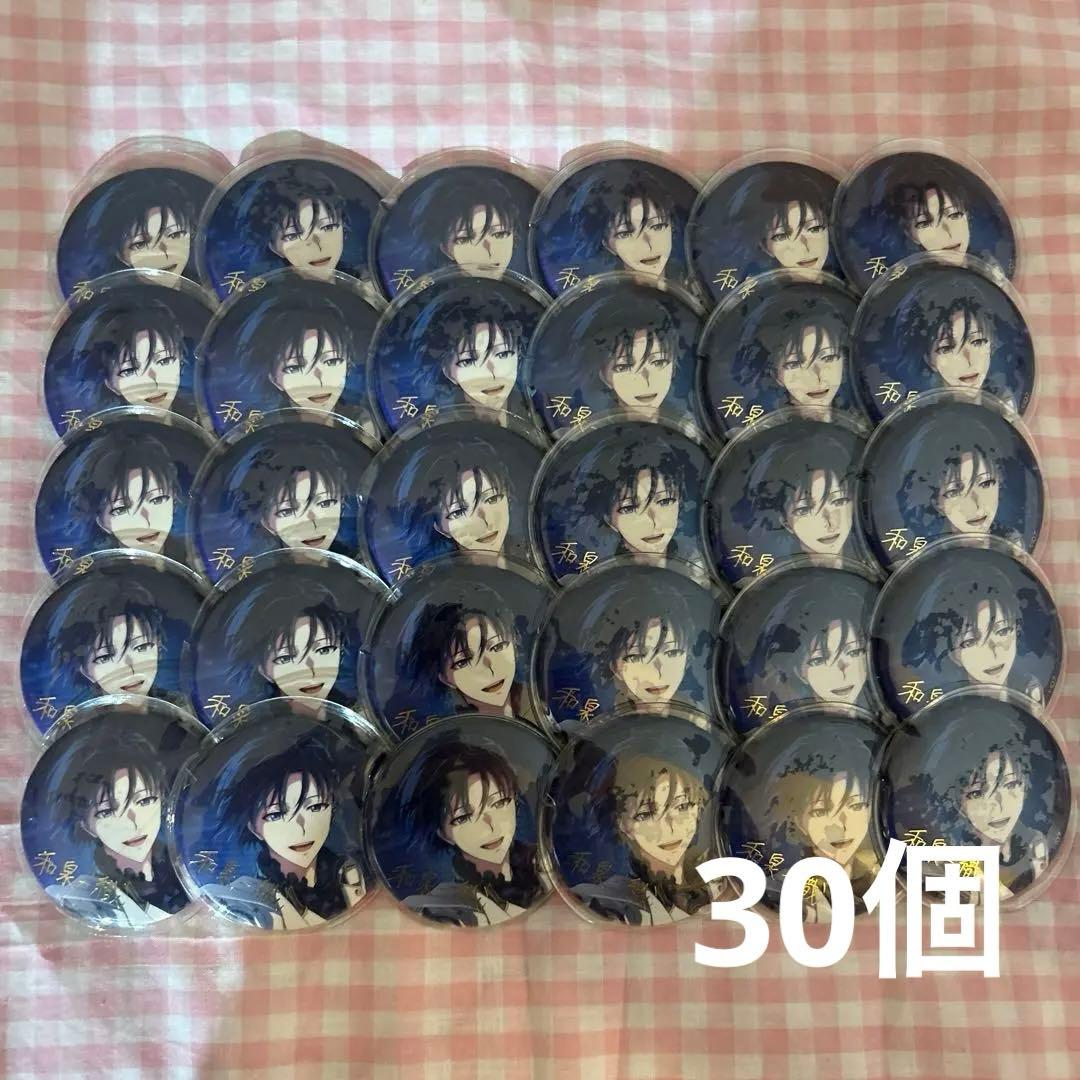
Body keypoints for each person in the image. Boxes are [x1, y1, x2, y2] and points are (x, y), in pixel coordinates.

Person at [200, 728, 365, 929]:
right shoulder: (244, 898)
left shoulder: (353, 872)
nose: (301, 828)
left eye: (315, 807)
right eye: (276, 815)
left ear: (332, 808)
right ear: (253, 828)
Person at [39, 725, 188, 928]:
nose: (133, 822)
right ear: (85, 825)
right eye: (107, 812)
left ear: (162, 797)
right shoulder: (83, 898)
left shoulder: (185, 872)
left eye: (145, 801)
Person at [400, 741, 545, 926]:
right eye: (464, 817)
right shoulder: (442, 906)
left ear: (515, 802)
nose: (490, 826)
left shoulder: (546, 861)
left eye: (499, 803)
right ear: (443, 833)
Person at [573, 753, 713, 925]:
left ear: (697, 807)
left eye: (682, 806)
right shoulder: (611, 899)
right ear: (623, 825)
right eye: (646, 814)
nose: (669, 827)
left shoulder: (717, 873)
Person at [760, 728, 879, 923]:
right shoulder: (780, 889)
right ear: (798, 819)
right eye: (821, 811)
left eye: (856, 806)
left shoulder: (886, 876)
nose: (841, 826)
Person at [62, 433, 184, 561]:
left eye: (157, 500)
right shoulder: (91, 567)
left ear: (173, 495)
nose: (146, 520)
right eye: (122, 509)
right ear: (101, 521)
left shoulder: (192, 556)